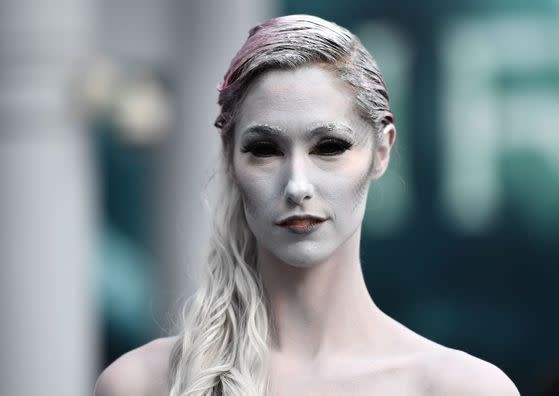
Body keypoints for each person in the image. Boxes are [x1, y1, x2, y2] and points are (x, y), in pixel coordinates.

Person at [95, 14, 520, 396]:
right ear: (230, 157)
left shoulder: (462, 389)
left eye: (329, 146)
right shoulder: (141, 384)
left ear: (382, 151)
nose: (297, 185)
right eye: (265, 149)